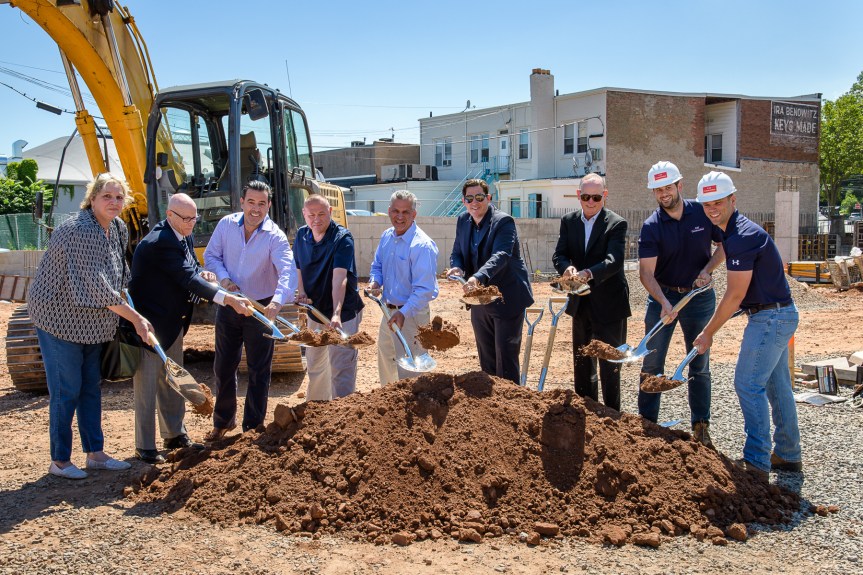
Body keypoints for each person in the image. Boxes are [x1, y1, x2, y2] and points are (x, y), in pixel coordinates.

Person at [28, 173, 151, 479]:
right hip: (58, 318)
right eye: (107, 196)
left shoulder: (119, 227)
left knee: (90, 388)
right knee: (66, 389)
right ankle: (59, 461)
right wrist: (136, 320)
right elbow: (97, 288)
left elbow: (119, 275)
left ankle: (95, 453)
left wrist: (131, 303)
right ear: (92, 199)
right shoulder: (79, 229)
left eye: (119, 197)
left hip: (92, 322)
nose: (114, 202)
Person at [693, 172, 801, 481]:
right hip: (778, 314)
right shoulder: (733, 231)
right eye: (706, 204)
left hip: (769, 318)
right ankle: (788, 455)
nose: (712, 209)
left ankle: (756, 462)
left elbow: (735, 294)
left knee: (747, 384)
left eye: (717, 202)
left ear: (732, 200)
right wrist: (707, 268)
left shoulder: (742, 235)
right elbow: (725, 250)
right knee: (776, 386)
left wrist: (708, 332)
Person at [129, 193, 251, 463]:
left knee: (173, 379)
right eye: (186, 218)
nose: (192, 223)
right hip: (150, 324)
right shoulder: (160, 242)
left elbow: (191, 268)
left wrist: (204, 273)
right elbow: (185, 277)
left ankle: (174, 434)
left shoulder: (183, 234)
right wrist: (226, 298)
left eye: (194, 218)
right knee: (147, 385)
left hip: (172, 322)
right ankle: (145, 446)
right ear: (169, 215)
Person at [637, 161, 725, 447]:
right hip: (663, 296)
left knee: (699, 361)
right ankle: (646, 425)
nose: (663, 194)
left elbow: (725, 244)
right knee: (652, 361)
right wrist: (662, 301)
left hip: (699, 298)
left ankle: (700, 425)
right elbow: (646, 273)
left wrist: (708, 269)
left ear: (679, 185)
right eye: (658, 189)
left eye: (667, 187)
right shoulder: (652, 227)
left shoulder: (701, 212)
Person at [204, 180, 296, 439]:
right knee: (223, 366)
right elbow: (211, 256)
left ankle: (252, 426)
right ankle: (223, 422)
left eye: (262, 203)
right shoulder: (225, 226)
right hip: (230, 304)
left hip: (260, 308)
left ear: (269, 205)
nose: (256, 209)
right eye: (251, 202)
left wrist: (277, 302)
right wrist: (223, 279)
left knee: (259, 369)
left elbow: (287, 270)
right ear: (242, 202)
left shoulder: (274, 236)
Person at [552, 174, 630, 410]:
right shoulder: (569, 221)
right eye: (586, 196)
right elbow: (559, 255)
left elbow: (614, 260)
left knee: (610, 363)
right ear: (579, 196)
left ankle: (612, 415)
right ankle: (587, 410)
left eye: (596, 197)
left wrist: (587, 273)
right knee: (583, 361)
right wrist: (567, 268)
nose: (591, 202)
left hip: (610, 304)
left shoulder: (616, 223)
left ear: (604, 196)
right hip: (581, 303)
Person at [445, 178, 533, 382]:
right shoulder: (462, 221)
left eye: (479, 197)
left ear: (489, 198)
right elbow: (457, 252)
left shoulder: (504, 222)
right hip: (479, 302)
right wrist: (457, 267)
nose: (474, 202)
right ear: (463, 201)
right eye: (469, 198)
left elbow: (501, 255)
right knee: (487, 359)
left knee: (506, 359)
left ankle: (511, 407)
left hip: (507, 299)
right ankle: (492, 410)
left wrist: (477, 277)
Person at [294, 194, 364, 400]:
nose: (316, 219)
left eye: (321, 214)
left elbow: (340, 278)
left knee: (341, 365)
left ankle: (342, 418)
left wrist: (336, 314)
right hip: (315, 311)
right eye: (311, 214)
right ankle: (316, 412)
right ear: (304, 215)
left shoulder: (342, 238)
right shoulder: (301, 236)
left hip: (343, 314)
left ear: (331, 213)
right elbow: (299, 267)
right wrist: (302, 292)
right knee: (316, 364)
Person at [368, 190, 439, 385]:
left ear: (414, 214)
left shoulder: (422, 245)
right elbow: (377, 266)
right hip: (388, 313)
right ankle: (390, 409)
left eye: (405, 212)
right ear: (389, 211)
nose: (400, 217)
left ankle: (413, 413)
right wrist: (375, 282)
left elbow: (424, 290)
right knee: (387, 362)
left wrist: (404, 313)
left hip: (412, 316)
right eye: (395, 211)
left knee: (411, 370)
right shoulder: (386, 237)